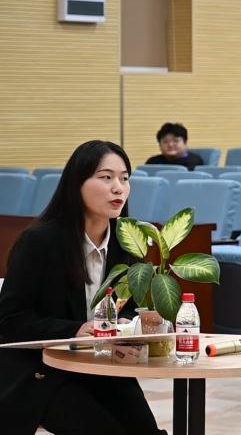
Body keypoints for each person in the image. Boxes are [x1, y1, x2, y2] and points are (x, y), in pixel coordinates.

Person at [0, 141, 165, 435]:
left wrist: (128, 327)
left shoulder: (127, 244)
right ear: (77, 183)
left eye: (125, 178)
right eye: (106, 177)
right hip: (41, 372)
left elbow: (123, 311)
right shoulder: (40, 242)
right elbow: (10, 320)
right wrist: (75, 330)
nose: (118, 188)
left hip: (100, 366)